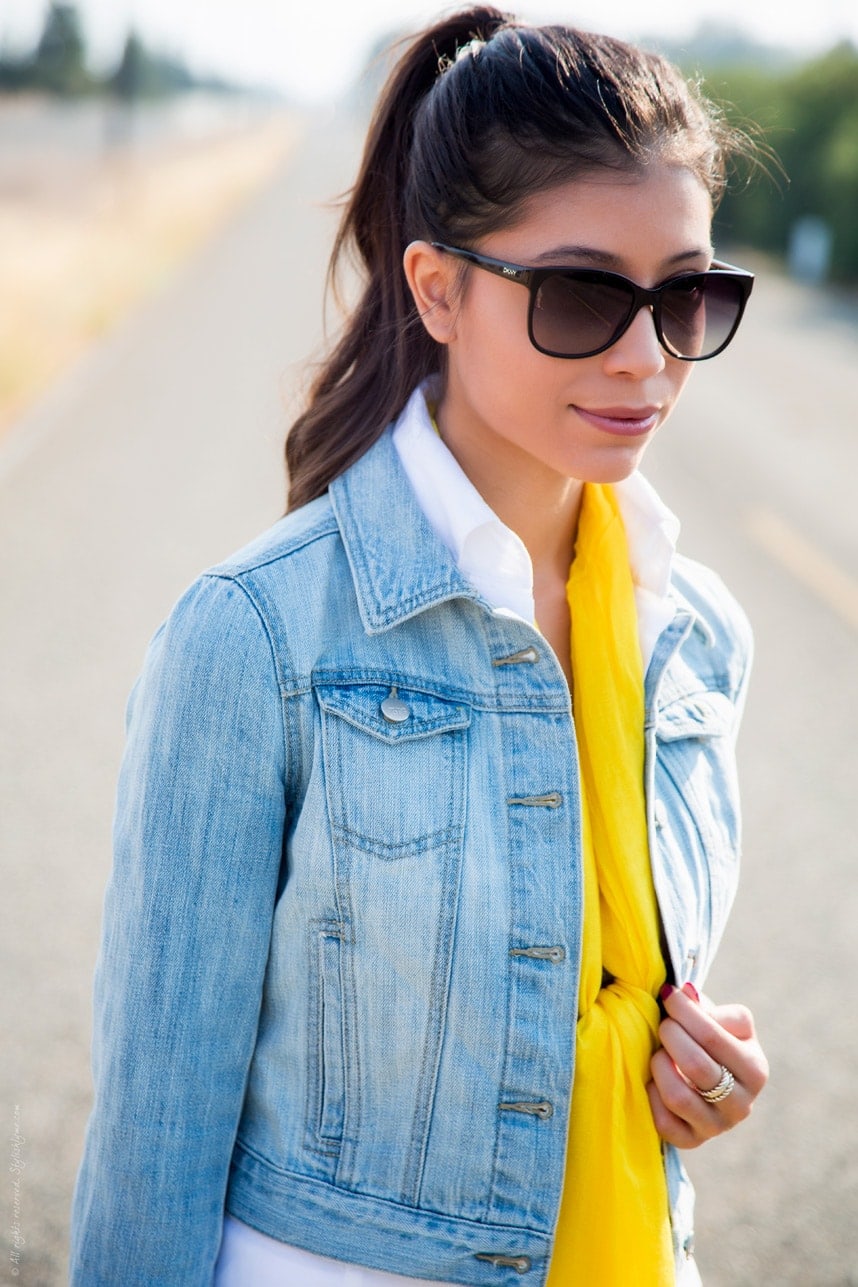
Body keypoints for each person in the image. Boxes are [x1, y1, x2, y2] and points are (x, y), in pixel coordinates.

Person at [70, 7, 769, 1285]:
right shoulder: (257, 637)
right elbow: (154, 1139)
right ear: (437, 289)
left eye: (687, 296)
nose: (644, 359)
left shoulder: (696, 637)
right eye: (579, 296)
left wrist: (692, 1087)